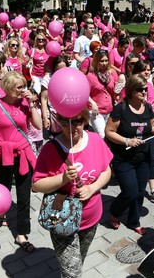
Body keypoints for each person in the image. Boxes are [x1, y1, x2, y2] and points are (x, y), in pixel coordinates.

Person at [33, 109, 113, 278]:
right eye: (65, 122)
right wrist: (62, 179)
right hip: (62, 221)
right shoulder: (51, 149)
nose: (71, 127)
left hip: (91, 217)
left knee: (78, 263)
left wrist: (93, 188)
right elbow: (37, 185)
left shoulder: (95, 140)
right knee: (73, 274)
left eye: (76, 121)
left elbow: (107, 170)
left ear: (84, 120)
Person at [0, 71, 42, 251]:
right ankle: (1, 211)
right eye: (19, 87)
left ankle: (21, 234)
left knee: (24, 195)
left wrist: (31, 103)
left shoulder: (24, 103)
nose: (24, 90)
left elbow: (37, 125)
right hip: (0, 154)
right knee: (2, 188)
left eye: (24, 86)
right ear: (8, 87)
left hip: (22, 154)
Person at [105, 74, 154, 234]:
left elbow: (151, 125)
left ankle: (133, 221)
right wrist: (126, 141)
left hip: (142, 158)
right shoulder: (121, 109)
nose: (145, 92)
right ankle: (114, 212)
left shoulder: (148, 108)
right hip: (123, 159)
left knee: (139, 193)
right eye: (141, 90)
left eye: (146, 89)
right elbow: (108, 131)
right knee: (129, 192)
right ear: (131, 91)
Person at [132, 60, 154, 204]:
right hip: (135, 129)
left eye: (149, 70)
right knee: (136, 159)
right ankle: (133, 189)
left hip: (149, 128)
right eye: (144, 70)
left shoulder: (150, 85)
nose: (147, 72)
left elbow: (151, 110)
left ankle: (153, 190)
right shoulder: (131, 87)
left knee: (152, 158)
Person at [87, 49, 118, 138]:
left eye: (106, 60)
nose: (104, 63)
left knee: (111, 136)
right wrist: (92, 103)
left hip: (110, 110)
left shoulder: (112, 73)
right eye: (101, 61)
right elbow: (85, 94)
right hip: (97, 111)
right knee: (103, 135)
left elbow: (115, 91)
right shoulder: (90, 76)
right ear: (96, 61)